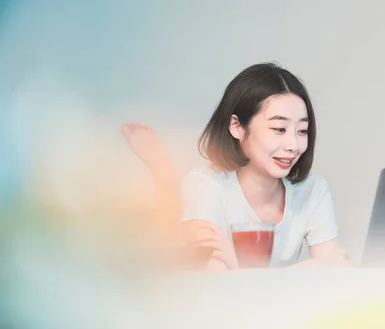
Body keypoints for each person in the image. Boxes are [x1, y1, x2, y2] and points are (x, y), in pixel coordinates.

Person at [122, 63, 349, 271]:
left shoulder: (313, 189)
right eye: (279, 129)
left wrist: (236, 265)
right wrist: (305, 271)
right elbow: (212, 282)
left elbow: (334, 271)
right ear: (237, 127)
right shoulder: (206, 185)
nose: (293, 145)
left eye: (301, 131)